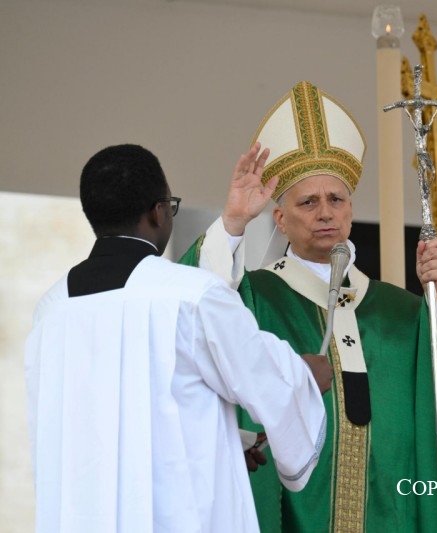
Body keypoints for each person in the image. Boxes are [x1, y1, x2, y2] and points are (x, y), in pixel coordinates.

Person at [179, 80, 437, 532]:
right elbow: (195, 307)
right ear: (280, 219)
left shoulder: (401, 311)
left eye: (336, 199)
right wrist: (232, 222)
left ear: (350, 210)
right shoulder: (255, 299)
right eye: (308, 202)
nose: (325, 212)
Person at [24, 144, 332, 533]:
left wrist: (227, 440)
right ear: (158, 212)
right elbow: (267, 382)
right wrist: (306, 374)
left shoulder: (52, 308)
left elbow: (103, 422)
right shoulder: (190, 295)